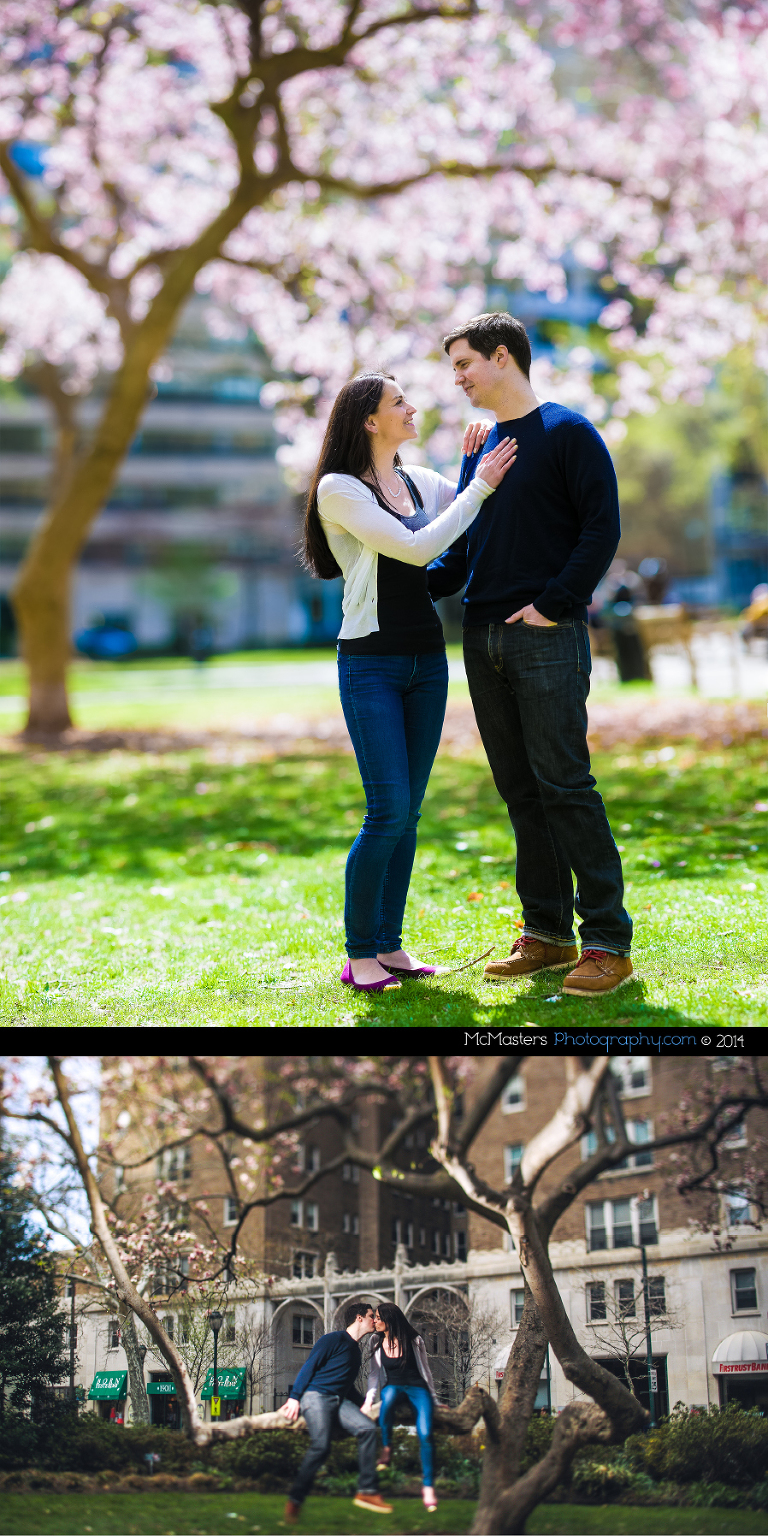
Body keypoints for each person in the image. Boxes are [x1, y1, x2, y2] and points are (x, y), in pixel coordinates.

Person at [428, 312, 634, 997]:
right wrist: (399, 578)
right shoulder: (479, 444)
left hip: (545, 635)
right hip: (481, 636)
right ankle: (546, 934)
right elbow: (462, 546)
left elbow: (601, 529)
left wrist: (554, 604)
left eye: (465, 364)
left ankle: (607, 941)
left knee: (565, 786)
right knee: (520, 791)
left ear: (504, 357)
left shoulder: (569, 432)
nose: (457, 378)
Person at [304, 371, 517, 992]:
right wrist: (476, 486)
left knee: (410, 813)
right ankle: (359, 953)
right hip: (370, 661)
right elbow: (419, 548)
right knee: (387, 810)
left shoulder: (418, 480)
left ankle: (391, 946)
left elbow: (468, 512)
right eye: (400, 402)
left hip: (428, 662)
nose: (412, 408)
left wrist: (477, 465)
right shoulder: (339, 489)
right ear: (370, 419)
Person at [279, 1300, 392, 1522]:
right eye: (371, 1316)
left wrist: (363, 1406)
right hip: (316, 1397)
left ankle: (366, 1492)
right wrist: (294, 1397)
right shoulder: (332, 1339)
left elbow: (346, 1386)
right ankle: (295, 1500)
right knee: (321, 1446)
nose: (374, 1320)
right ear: (359, 1318)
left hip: (339, 1401)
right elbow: (309, 1366)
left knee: (367, 1429)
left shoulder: (355, 1352)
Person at [364, 1303, 439, 1513]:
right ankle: (387, 1448)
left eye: (378, 1317)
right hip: (393, 1386)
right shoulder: (375, 1340)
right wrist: (369, 1400)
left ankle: (428, 1487)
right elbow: (374, 1374)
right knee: (387, 1401)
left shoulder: (414, 1340)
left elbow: (426, 1371)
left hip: (417, 1387)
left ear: (390, 1319)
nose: (375, 1321)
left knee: (425, 1434)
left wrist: (434, 1399)